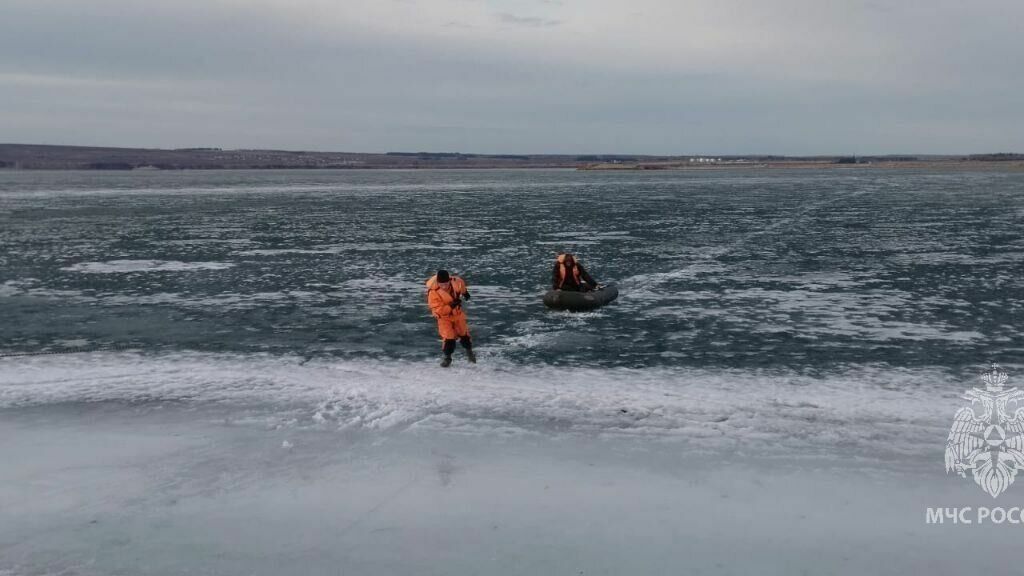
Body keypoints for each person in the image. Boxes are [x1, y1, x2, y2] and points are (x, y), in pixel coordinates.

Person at [425, 269, 476, 367]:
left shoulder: (456, 282)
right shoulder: (433, 292)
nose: (444, 286)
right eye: (441, 284)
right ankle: (447, 358)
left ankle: (469, 352)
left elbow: (461, 284)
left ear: (449, 280)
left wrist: (465, 293)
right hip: (444, 318)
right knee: (449, 338)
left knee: (464, 334)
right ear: (438, 283)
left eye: (446, 284)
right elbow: (437, 310)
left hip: (458, 314)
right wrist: (451, 306)